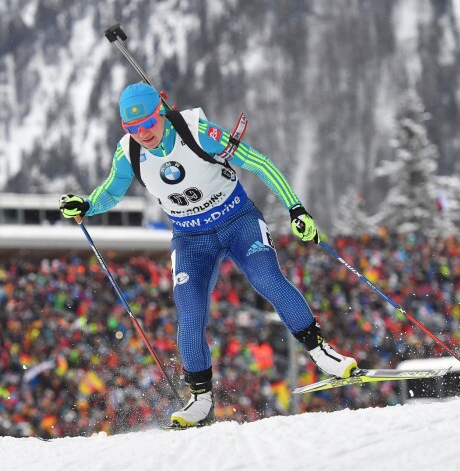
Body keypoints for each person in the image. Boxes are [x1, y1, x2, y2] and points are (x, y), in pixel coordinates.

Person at [59, 82, 356, 428]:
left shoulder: (197, 131)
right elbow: (111, 191)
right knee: (190, 312)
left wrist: (296, 209)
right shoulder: (129, 153)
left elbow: (259, 162)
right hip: (191, 238)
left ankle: (321, 352)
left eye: (148, 125)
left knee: (267, 279)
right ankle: (200, 400)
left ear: (162, 113)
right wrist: (88, 205)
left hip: (237, 220)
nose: (143, 134)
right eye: (132, 129)